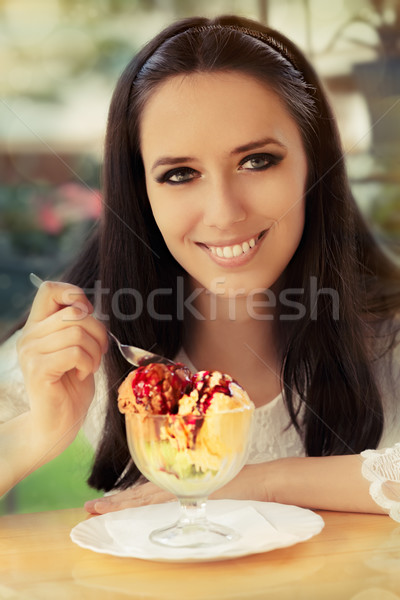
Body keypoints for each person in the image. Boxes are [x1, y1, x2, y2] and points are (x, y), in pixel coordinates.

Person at [1, 14, 399, 519]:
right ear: (139, 192)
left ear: (313, 165)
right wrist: (35, 432)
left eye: (257, 161)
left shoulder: (387, 329)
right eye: (180, 174)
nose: (225, 211)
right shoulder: (80, 343)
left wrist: (261, 484)